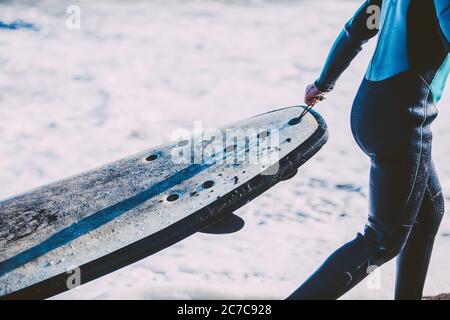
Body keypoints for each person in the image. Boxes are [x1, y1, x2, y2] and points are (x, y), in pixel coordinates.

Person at [288, 0, 450, 300]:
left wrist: (323, 83)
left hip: (370, 111)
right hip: (404, 120)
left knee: (429, 212)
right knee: (381, 241)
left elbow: (355, 32)